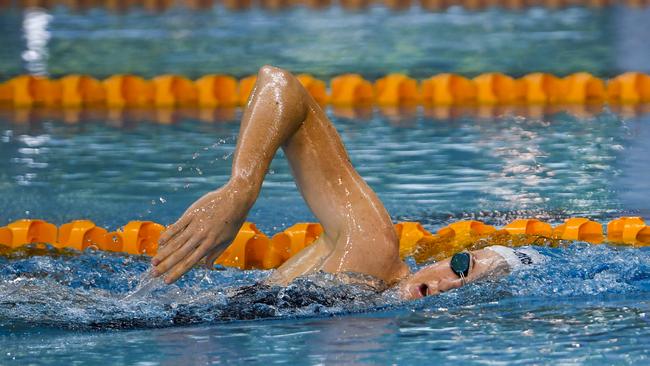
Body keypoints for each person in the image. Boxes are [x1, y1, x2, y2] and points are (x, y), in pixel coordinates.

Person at [151, 65, 543, 300]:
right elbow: (281, 86)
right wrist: (241, 188)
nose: (449, 286)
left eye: (472, 291)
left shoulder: (370, 299)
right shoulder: (371, 250)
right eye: (462, 267)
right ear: (444, 258)